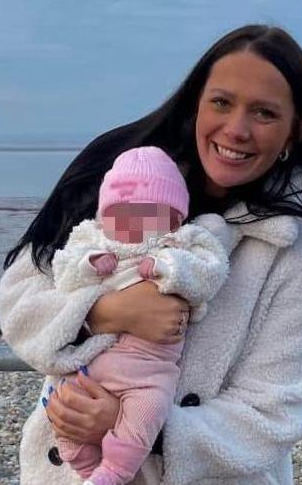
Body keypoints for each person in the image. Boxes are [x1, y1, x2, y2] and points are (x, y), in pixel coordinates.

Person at [0, 24, 302, 485]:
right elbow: (19, 299)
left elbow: (274, 411)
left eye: (263, 113)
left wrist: (136, 426)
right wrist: (103, 313)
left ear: (295, 131)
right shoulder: (115, 169)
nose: (236, 130)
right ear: (197, 101)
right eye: (222, 102)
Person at [49, 145, 230, 485]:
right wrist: (90, 265)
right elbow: (63, 271)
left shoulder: (180, 244)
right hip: (94, 363)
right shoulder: (94, 240)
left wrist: (167, 267)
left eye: (148, 214)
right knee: (65, 414)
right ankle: (88, 470)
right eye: (122, 214)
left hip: (150, 370)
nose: (134, 225)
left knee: (145, 413)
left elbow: (210, 272)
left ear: (175, 218)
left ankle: (115, 472)